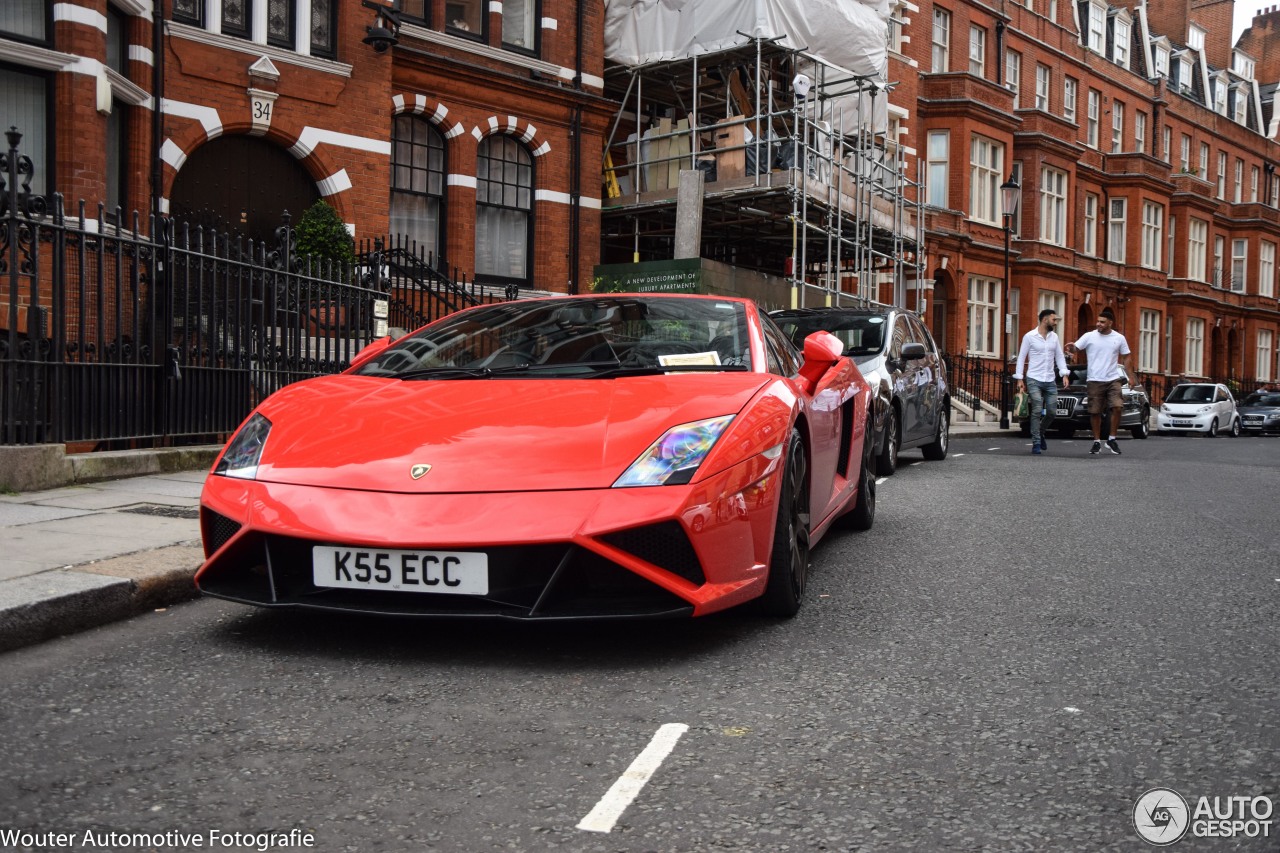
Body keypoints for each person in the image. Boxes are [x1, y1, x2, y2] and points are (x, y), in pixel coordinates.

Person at [1071, 307, 1132, 455]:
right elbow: (1075, 348)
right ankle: (1097, 441)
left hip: (1112, 379)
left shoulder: (1119, 338)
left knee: (1117, 407)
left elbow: (1127, 356)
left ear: (1110, 323)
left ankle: (1111, 439)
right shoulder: (1089, 336)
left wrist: (1131, 376)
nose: (1098, 324)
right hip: (1094, 379)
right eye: (1098, 321)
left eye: (1102, 322)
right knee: (1095, 412)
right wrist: (1071, 348)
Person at [1013, 308, 1070, 455]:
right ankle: (1036, 442)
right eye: (1053, 319)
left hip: (1050, 380)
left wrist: (1064, 374)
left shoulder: (1054, 337)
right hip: (1034, 379)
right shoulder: (1029, 337)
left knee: (1051, 412)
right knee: (1037, 408)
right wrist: (1019, 378)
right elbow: (1021, 357)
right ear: (1045, 320)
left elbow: (1059, 356)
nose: (1055, 322)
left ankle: (1041, 432)